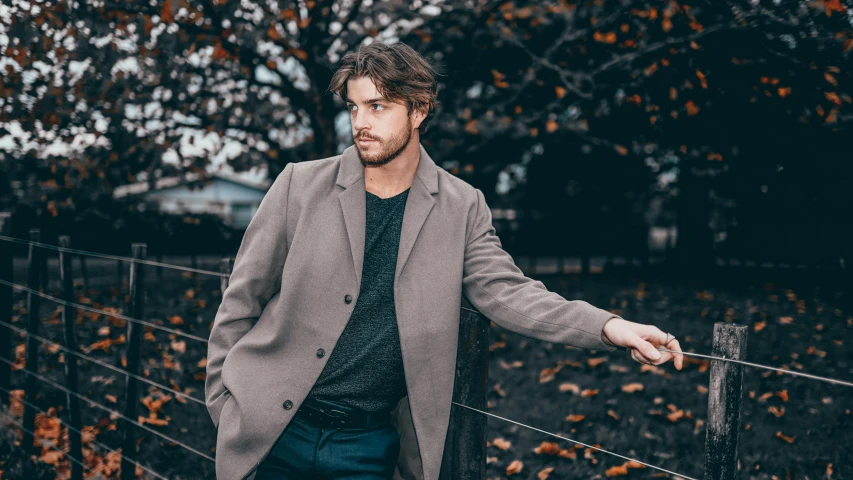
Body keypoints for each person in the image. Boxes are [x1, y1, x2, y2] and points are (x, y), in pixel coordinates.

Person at [205, 41, 684, 480]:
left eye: (377, 106)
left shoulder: (462, 205)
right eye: (354, 107)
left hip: (367, 447)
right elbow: (240, 300)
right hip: (271, 433)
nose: (359, 123)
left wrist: (610, 327)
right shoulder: (298, 186)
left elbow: (510, 292)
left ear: (419, 110)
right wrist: (226, 406)